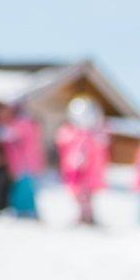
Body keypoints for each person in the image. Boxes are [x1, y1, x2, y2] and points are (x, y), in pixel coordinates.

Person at [56, 97, 111, 227]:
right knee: (78, 195)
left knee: (86, 195)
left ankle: (88, 217)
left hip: (89, 171)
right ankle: (83, 215)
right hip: (75, 170)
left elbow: (99, 149)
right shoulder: (72, 133)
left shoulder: (96, 134)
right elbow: (64, 143)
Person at [0, 102, 45, 220]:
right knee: (24, 188)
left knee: (24, 189)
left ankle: (26, 211)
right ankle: (25, 210)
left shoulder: (21, 125)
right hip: (25, 164)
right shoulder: (29, 125)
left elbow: (9, 137)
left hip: (24, 165)